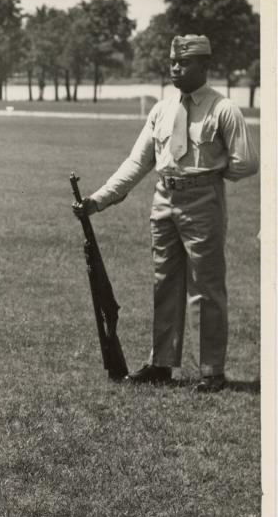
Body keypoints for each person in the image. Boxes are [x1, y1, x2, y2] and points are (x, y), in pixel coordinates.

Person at [73, 34, 258, 392]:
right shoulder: (161, 109)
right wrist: (99, 199)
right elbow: (138, 161)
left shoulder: (223, 110)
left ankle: (211, 370)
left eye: (184, 63)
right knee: (165, 284)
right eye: (173, 62)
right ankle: (161, 364)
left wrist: (212, 176)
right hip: (163, 200)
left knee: (206, 287)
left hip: (203, 202)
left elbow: (246, 162)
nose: (176, 68)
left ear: (205, 66)